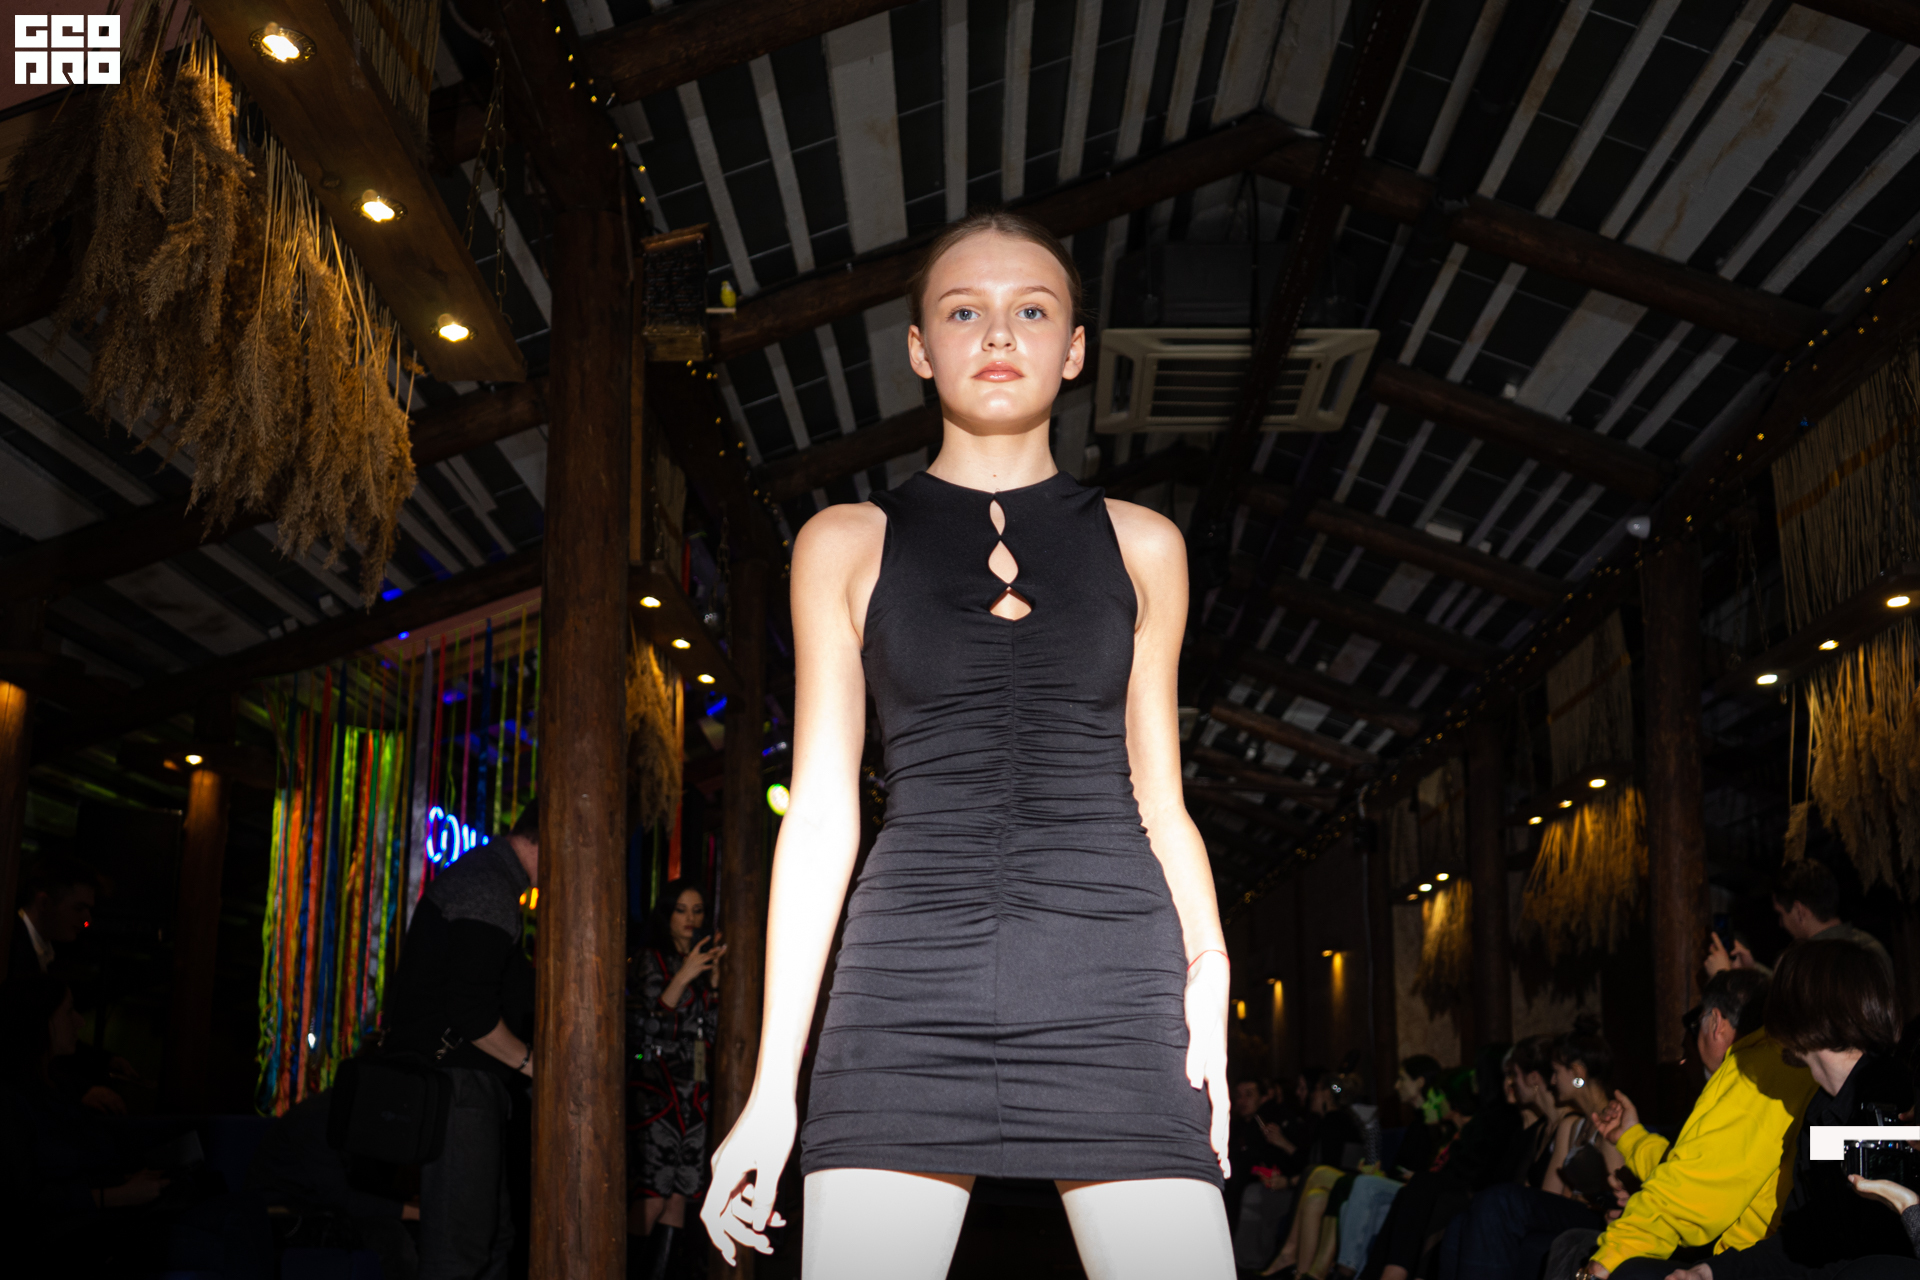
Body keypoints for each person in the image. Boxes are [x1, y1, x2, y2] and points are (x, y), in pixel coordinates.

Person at [698, 209, 1236, 1279]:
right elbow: (820, 813)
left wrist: (1210, 969)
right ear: (919, 348)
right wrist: (770, 1090)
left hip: (1115, 981)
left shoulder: (1146, 544)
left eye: (1031, 311)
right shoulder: (845, 542)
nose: (997, 333)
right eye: (963, 312)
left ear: (1074, 349)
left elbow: (1161, 800)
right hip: (904, 984)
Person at [1656, 940, 1914, 1280]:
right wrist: (1711, 1272)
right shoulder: (1822, 1111)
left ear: (1802, 1012)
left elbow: (1873, 1248)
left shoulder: (1898, 1101)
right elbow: (1808, 1241)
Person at [383, 797, 539, 1280]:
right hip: (459, 1088)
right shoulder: (489, 884)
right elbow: (471, 1012)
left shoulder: (490, 877)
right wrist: (532, 1064)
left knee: (489, 1241)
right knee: (461, 1250)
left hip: (465, 1086)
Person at [1575, 971, 1817, 1278]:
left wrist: (1607, 1260)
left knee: (1587, 1253)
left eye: (1695, 1024)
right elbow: (1696, 1170)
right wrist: (1632, 1137)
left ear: (1715, 1022)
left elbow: (1693, 1195)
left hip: (1749, 1262)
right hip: (1755, 1256)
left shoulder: (1759, 1072)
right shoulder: (1769, 1067)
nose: (1685, 1050)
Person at [628, 878, 724, 1280]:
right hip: (657, 1088)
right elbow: (646, 1025)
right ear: (666, 914)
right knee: (652, 1194)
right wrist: (683, 976)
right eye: (681, 909)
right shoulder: (651, 959)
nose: (690, 918)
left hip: (695, 1092)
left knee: (680, 1197)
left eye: (697, 910)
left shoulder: (703, 963)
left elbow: (712, 1033)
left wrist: (713, 984)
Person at [247, 1090, 419, 1280]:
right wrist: (411, 1211)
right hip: (287, 1217)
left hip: (318, 1205)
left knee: (417, 1229)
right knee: (391, 1235)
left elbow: (359, 1183)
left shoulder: (350, 1114)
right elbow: (341, 1198)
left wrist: (406, 1201)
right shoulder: (318, 1118)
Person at [1766, 861, 1892, 978]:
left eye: (1781, 914)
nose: (1781, 923)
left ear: (1799, 911)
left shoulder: (1805, 966)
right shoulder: (1872, 949)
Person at [10, 856, 95, 979]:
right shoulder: (10, 950)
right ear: (44, 903)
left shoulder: (50, 951)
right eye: (78, 908)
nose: (87, 921)